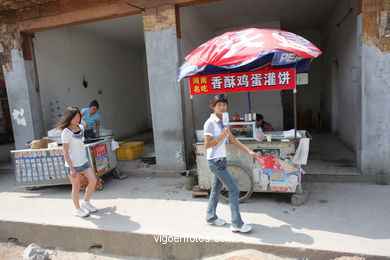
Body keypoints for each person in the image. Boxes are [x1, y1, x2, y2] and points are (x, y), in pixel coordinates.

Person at [204, 94, 258, 233]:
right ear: (213, 106)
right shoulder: (210, 123)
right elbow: (207, 145)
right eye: (219, 105)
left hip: (221, 160)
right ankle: (237, 224)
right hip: (215, 162)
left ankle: (211, 217)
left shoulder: (224, 122)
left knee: (215, 190)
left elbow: (233, 140)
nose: (222, 107)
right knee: (234, 189)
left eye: (224, 105)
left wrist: (248, 151)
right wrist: (222, 135)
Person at [57, 106, 97, 217]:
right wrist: (72, 169)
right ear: (68, 118)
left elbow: (84, 125)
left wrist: (83, 117)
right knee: (76, 187)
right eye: (74, 117)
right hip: (73, 165)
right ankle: (77, 209)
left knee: (93, 181)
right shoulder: (65, 132)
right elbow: (65, 151)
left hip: (84, 162)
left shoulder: (81, 127)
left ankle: (86, 202)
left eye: (78, 117)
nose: (77, 119)